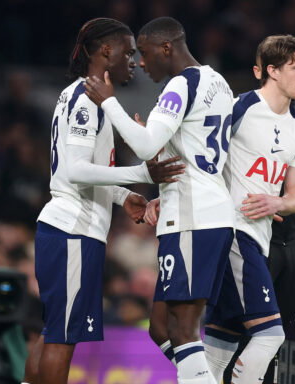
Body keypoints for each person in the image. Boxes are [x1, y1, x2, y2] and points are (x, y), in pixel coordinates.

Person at [143, 34, 295, 383]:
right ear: (271, 70)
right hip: (232, 230)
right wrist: (167, 193)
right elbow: (197, 152)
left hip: (260, 236)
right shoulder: (239, 108)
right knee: (270, 335)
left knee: (220, 344)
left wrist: (277, 201)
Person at [25, 18, 185, 384]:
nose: (133, 61)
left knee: (53, 331)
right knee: (62, 338)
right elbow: (77, 170)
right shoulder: (86, 100)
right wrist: (144, 175)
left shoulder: (80, 95)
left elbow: (84, 170)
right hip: (72, 230)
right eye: (128, 52)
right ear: (105, 51)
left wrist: (122, 195)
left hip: (68, 229)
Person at [85, 17, 235, 384]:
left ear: (167, 48)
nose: (139, 63)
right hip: (201, 212)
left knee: (184, 331)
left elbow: (145, 145)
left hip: (193, 218)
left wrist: (109, 104)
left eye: (145, 53)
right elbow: (188, 151)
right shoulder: (219, 82)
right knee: (160, 329)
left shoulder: (180, 86)